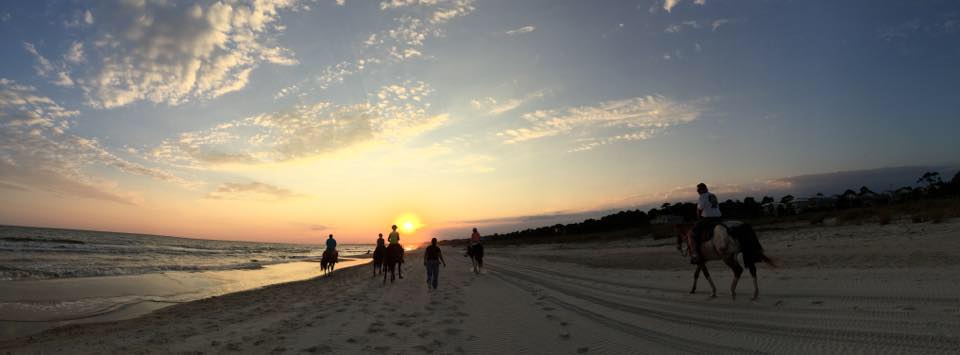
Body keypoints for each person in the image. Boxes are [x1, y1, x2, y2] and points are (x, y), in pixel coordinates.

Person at [690, 183, 722, 263]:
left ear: (703, 189)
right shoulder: (713, 195)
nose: (697, 191)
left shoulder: (702, 196)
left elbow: (699, 210)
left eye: (698, 189)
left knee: (692, 234)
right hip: (718, 218)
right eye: (697, 190)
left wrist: (698, 217)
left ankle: (695, 254)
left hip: (708, 219)